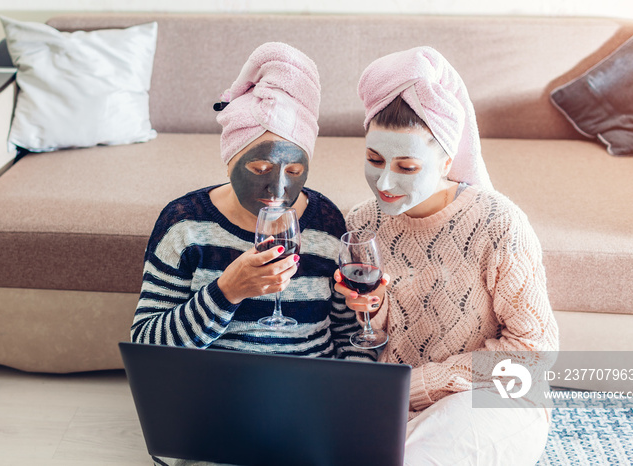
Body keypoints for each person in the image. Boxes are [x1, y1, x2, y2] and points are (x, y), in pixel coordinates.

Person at [334, 47, 559, 465]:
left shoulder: (497, 222)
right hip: (395, 403)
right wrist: (372, 308)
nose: (384, 181)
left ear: (446, 162)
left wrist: (421, 385)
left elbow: (535, 349)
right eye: (373, 159)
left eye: (406, 166)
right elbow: (375, 336)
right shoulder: (362, 224)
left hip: (493, 395)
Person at [131, 42, 376, 362]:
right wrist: (227, 291)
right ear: (229, 161)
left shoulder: (326, 222)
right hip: (215, 394)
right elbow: (146, 346)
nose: (277, 189)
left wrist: (350, 396)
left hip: (311, 395)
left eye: (295, 170)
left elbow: (350, 337)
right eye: (260, 169)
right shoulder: (185, 224)